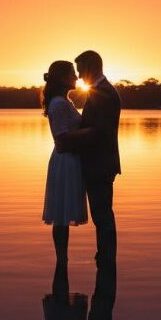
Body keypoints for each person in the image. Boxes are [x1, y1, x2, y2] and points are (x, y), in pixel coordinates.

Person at [61, 50, 121, 268]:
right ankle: (105, 260)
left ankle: (107, 259)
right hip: (98, 162)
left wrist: (67, 141)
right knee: (101, 213)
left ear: (90, 67)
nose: (78, 76)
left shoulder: (104, 93)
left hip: (100, 164)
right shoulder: (99, 91)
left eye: (80, 70)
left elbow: (99, 130)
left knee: (102, 213)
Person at [41, 61, 91, 263]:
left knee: (62, 213)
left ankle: (62, 260)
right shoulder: (59, 104)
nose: (77, 77)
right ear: (62, 78)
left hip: (68, 159)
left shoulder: (63, 101)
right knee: (61, 213)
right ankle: (62, 260)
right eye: (72, 73)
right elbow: (62, 139)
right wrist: (94, 132)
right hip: (65, 161)